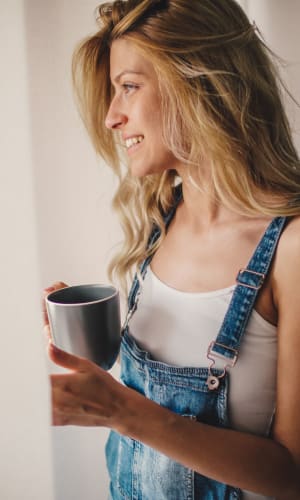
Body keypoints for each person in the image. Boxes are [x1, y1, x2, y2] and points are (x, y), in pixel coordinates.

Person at [43, 0, 300, 498]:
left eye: (129, 87)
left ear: (200, 84)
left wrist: (122, 411)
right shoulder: (162, 216)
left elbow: (292, 477)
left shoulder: (290, 248)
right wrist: (85, 352)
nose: (111, 117)